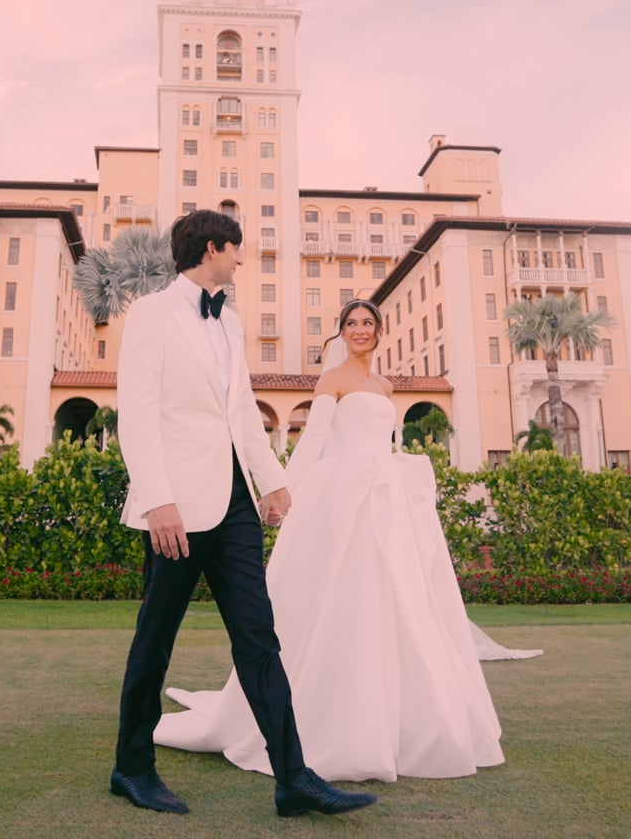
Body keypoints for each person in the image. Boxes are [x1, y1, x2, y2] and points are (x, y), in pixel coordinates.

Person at [154, 299, 511, 782]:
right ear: (341, 333)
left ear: (380, 331)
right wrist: (281, 492)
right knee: (344, 602)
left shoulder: (386, 387)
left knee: (398, 605)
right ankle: (330, 720)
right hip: (345, 501)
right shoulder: (333, 380)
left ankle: (400, 719)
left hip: (386, 505)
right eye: (351, 324)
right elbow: (314, 442)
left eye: (367, 323)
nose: (359, 330)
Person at [111, 211, 377, 818]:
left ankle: (293, 778)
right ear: (212, 248)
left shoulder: (228, 321)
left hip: (234, 507)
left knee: (260, 639)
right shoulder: (152, 314)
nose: (240, 260)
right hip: (174, 508)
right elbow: (139, 415)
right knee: (155, 641)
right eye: (236, 250)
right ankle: (131, 769)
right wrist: (158, 500)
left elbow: (239, 414)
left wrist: (273, 482)